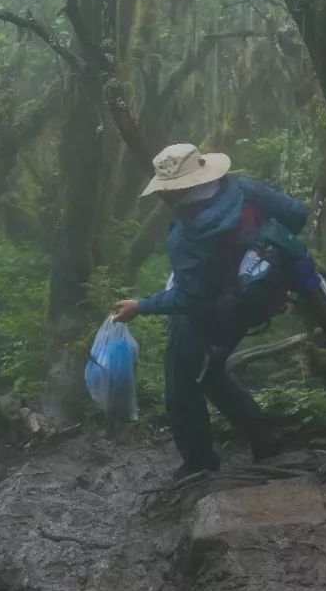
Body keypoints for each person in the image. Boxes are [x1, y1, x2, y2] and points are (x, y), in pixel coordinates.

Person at [112, 142, 310, 475]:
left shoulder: (186, 236)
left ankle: (200, 463)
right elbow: (297, 214)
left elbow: (189, 299)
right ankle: (266, 437)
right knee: (211, 373)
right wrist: (263, 249)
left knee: (182, 384)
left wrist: (141, 306)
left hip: (209, 317)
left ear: (174, 190)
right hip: (259, 298)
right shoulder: (244, 189)